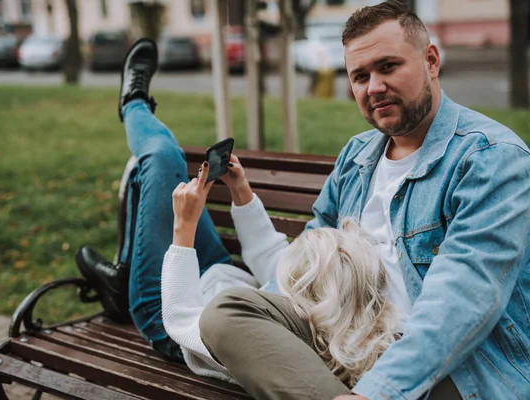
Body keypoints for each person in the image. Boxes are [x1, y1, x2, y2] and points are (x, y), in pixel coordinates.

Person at [197, 1, 530, 400]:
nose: (373, 87)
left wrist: (376, 391)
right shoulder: (356, 157)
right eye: (359, 76)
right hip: (349, 336)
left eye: (388, 66)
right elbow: (309, 254)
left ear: (431, 61)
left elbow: (464, 297)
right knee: (228, 312)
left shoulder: (490, 158)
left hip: (453, 362)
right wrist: (274, 311)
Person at [75, 36, 400, 389]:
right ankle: (124, 277)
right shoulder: (336, 307)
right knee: (155, 171)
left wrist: (184, 228)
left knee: (160, 157)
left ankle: (133, 104)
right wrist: (242, 193)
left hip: (170, 311)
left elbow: (182, 319)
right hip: (220, 275)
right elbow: (281, 267)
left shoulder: (267, 346)